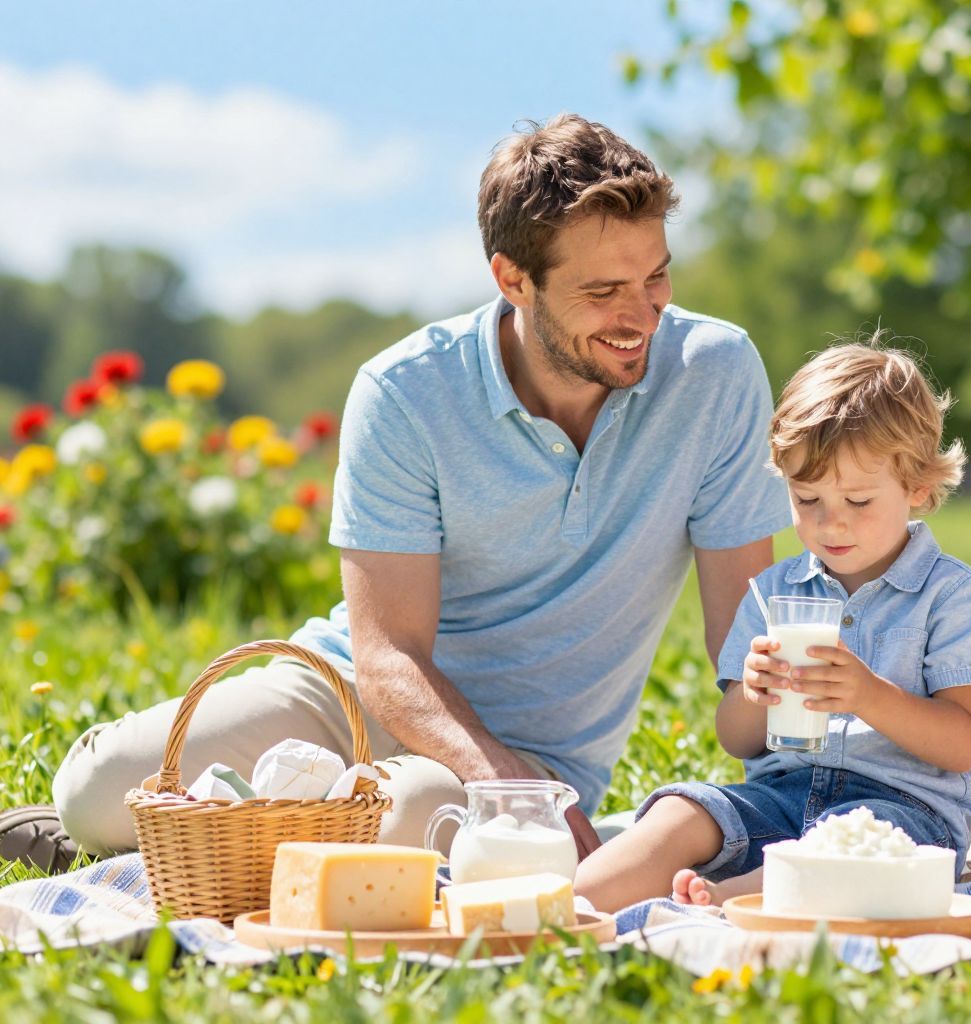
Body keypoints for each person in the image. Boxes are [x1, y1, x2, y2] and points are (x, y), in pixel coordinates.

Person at [5, 115, 791, 867]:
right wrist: (501, 782)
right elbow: (387, 658)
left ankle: (258, 828)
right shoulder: (407, 393)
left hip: (536, 760)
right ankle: (271, 817)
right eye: (603, 291)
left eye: (656, 276)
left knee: (417, 814)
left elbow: (744, 649)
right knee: (92, 794)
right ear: (514, 280)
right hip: (353, 700)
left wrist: (790, 800)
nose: (641, 315)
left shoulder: (713, 375)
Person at [574, 341, 971, 913]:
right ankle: (568, 904)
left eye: (858, 499)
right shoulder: (776, 591)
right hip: (778, 797)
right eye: (807, 499)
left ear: (918, 488)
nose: (831, 522)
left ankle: (727, 898)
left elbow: (963, 742)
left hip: (902, 812)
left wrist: (869, 695)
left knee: (854, 851)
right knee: (680, 813)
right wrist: (754, 693)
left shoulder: (951, 595)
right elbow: (737, 738)